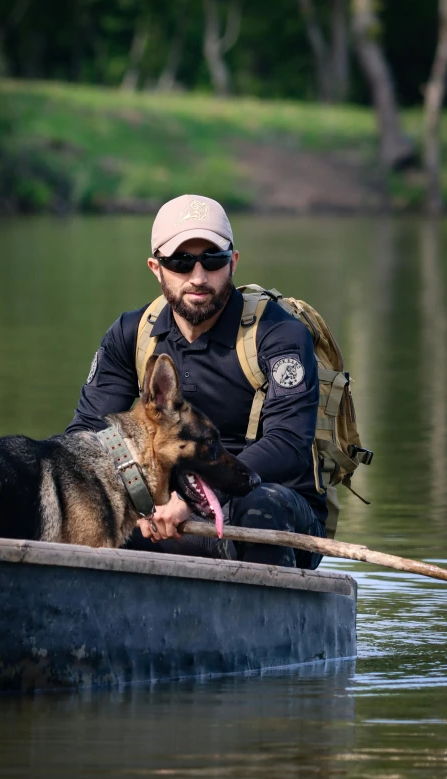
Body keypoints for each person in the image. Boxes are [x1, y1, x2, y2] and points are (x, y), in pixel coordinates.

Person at [66, 194, 327, 568]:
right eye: (181, 262)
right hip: (163, 512)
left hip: (265, 506)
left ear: (233, 262)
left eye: (214, 259)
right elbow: (85, 436)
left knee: (262, 504)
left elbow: (288, 445)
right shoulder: (130, 334)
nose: (199, 277)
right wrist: (140, 499)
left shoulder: (280, 333)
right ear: (156, 267)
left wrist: (192, 500)